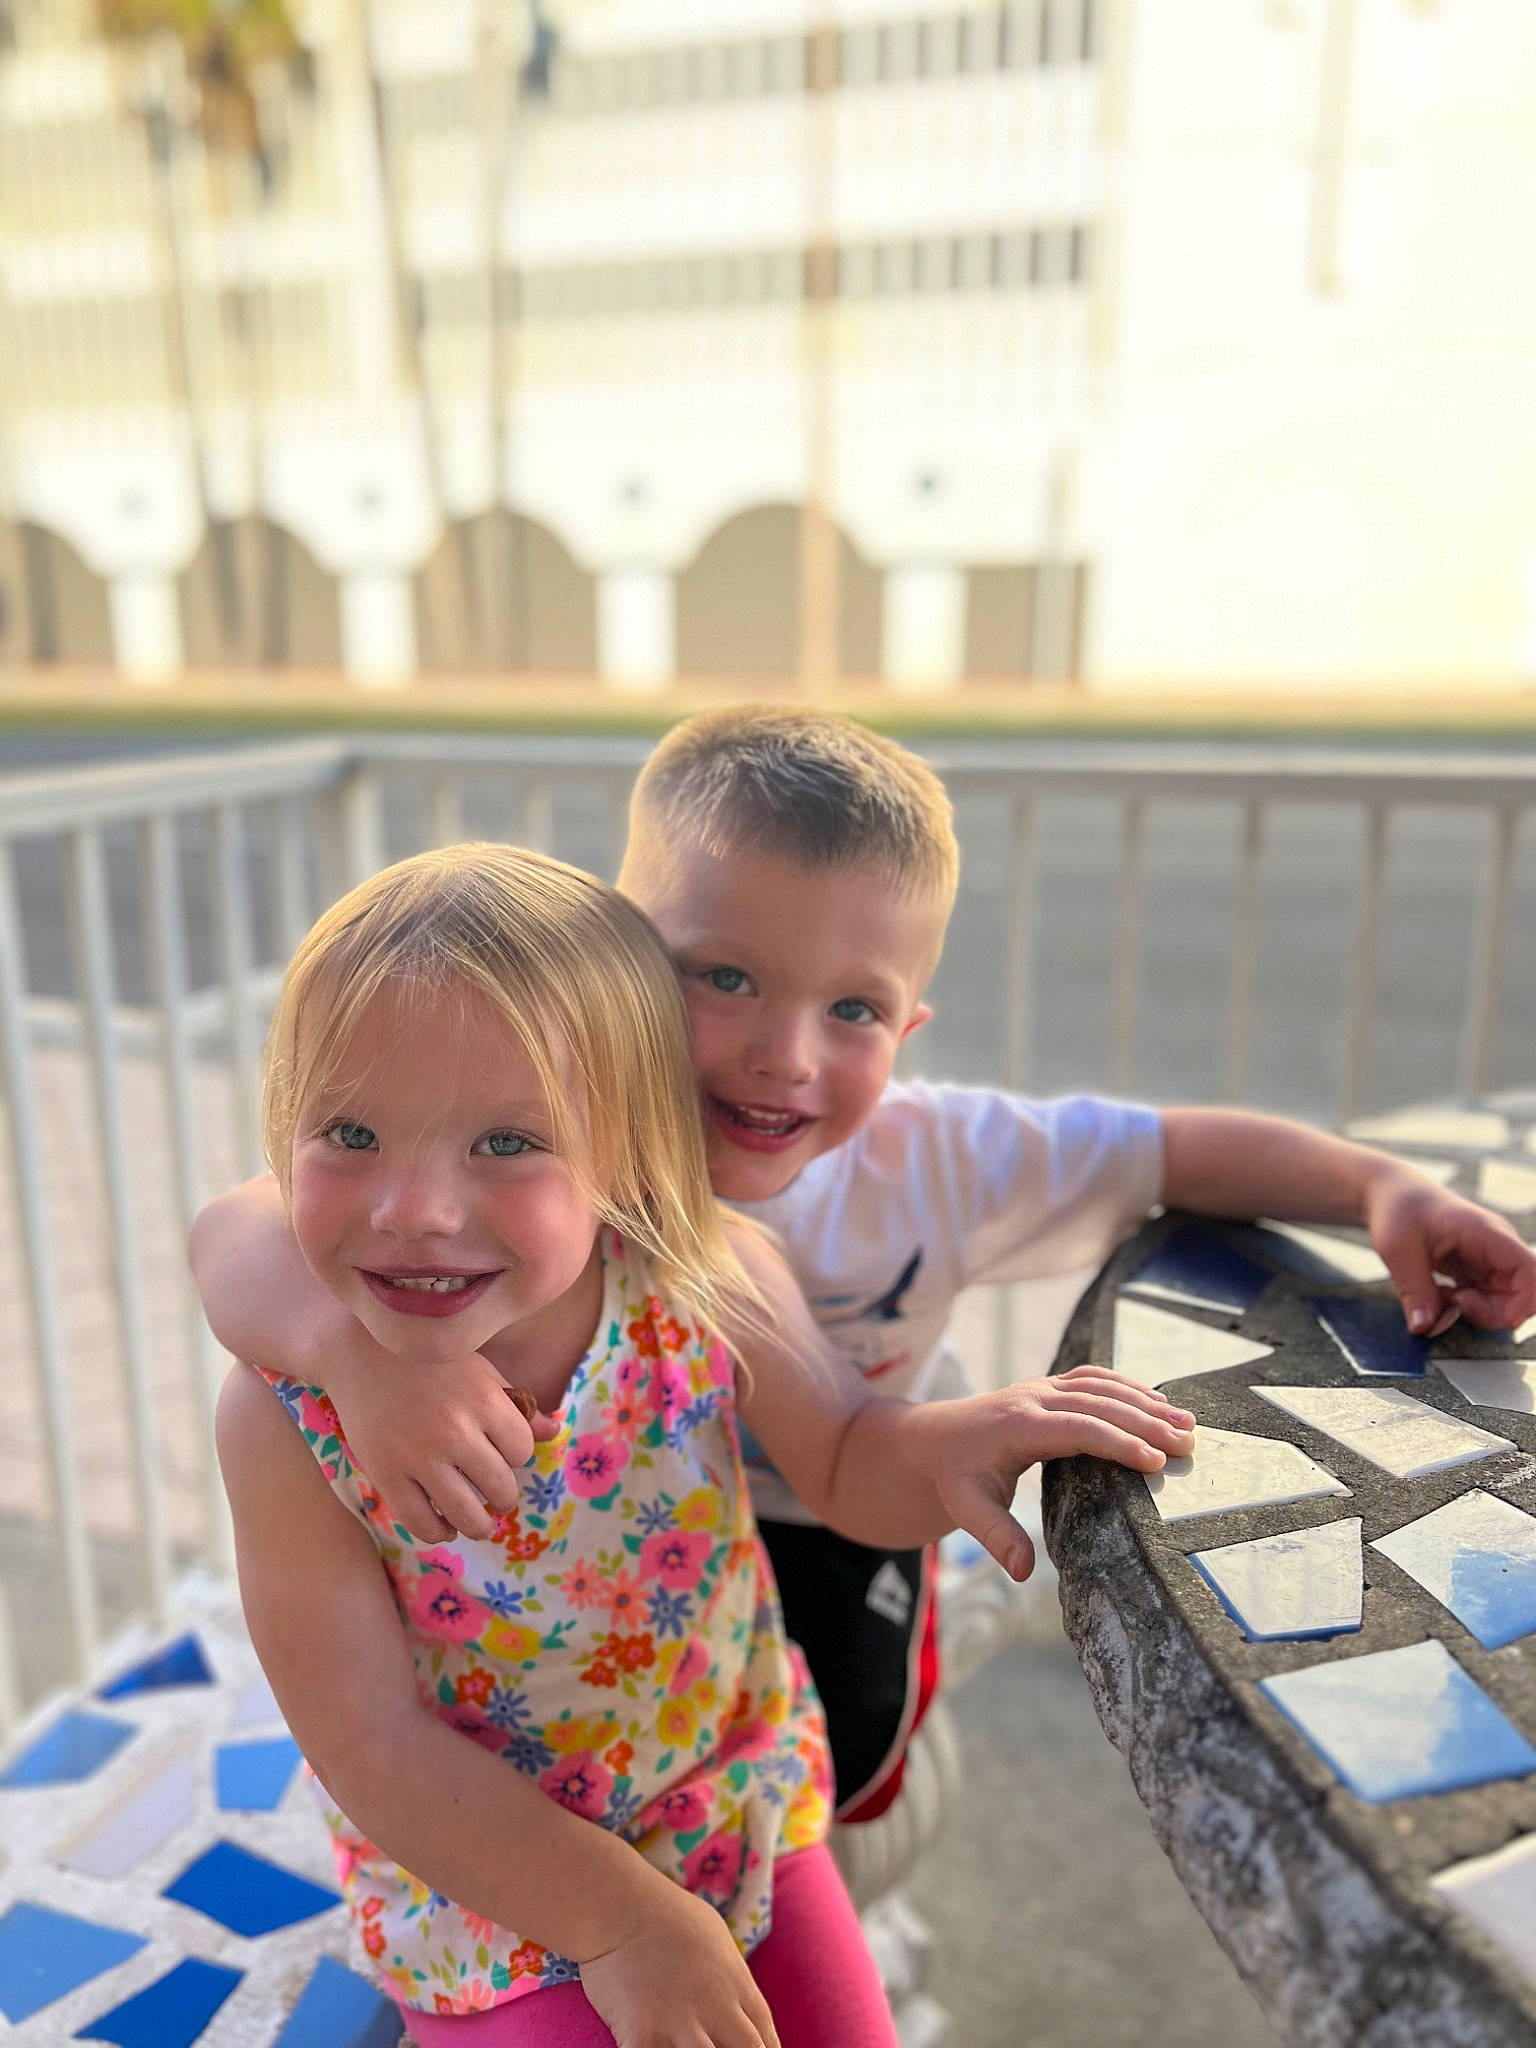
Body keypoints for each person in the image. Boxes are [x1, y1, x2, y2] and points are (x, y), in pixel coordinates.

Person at [194, 709, 1536, 1831]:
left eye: (851, 1009)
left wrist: (1376, 1187)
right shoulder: (525, 1130)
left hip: (837, 1517)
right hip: (594, 1550)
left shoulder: (936, 1157)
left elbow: (1177, 1151)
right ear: (612, 957)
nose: (785, 1055)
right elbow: (244, 1226)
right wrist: (355, 1354)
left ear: (909, 1022)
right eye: (721, 977)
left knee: (841, 1787)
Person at [215, 840, 1195, 2047]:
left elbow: (845, 1452)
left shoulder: (699, 1273)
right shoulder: (281, 1417)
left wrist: (955, 1442)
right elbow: (372, 1743)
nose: (413, 1206)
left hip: (733, 1794)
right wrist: (622, 1922)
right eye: (348, 1133)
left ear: (622, 1147)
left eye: (506, 1142)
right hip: (484, 1879)